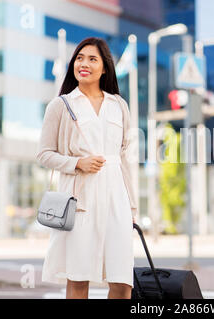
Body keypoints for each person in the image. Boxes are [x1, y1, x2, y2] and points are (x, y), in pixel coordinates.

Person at [36, 37, 138, 299]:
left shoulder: (119, 105)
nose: (84, 64)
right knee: (79, 278)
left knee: (122, 281)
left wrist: (133, 209)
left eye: (92, 59)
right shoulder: (61, 105)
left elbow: (126, 160)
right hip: (80, 200)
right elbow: (44, 154)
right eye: (79, 58)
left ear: (105, 68)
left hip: (117, 200)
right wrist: (76, 163)